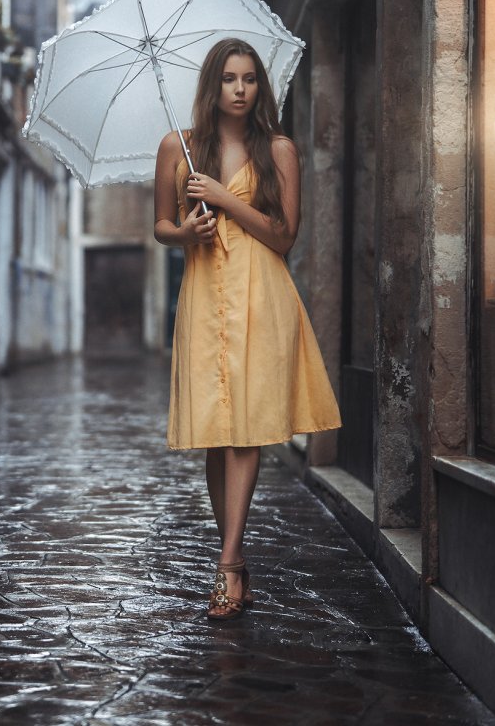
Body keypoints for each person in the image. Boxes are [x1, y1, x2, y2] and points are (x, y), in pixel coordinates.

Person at [153, 38, 341, 621]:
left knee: (247, 430)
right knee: (217, 431)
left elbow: (285, 237)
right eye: (230, 78)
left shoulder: (279, 149)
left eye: (251, 79)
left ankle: (229, 563)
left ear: (262, 86)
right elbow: (160, 226)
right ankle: (232, 552)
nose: (241, 89)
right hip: (206, 294)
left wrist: (225, 202)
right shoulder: (177, 147)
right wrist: (188, 232)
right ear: (214, 84)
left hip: (262, 293)